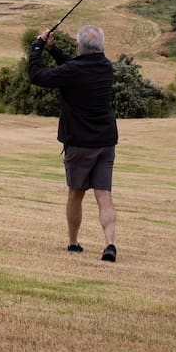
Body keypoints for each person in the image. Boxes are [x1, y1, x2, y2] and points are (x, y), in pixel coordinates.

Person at [27, 24, 118, 262]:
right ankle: (110, 243)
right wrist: (53, 49)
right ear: (101, 47)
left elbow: (37, 75)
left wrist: (37, 47)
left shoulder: (74, 71)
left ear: (78, 46)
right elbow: (74, 66)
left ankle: (73, 243)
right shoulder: (106, 66)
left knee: (76, 194)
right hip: (106, 142)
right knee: (104, 195)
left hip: (79, 143)